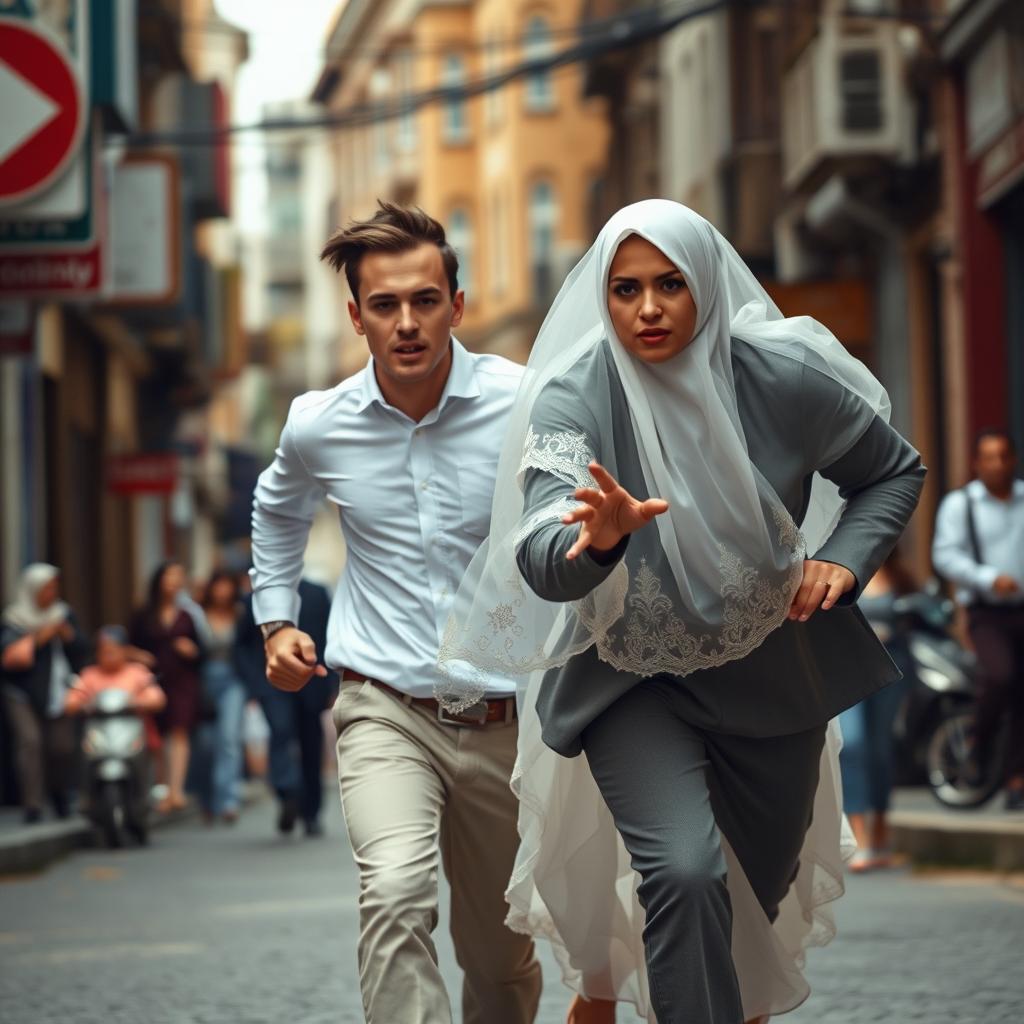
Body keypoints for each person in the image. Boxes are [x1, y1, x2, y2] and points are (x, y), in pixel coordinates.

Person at [439, 200, 925, 1024]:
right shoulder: (574, 396)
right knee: (686, 871)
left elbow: (894, 471)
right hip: (631, 684)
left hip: (774, 679)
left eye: (669, 284)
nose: (649, 308)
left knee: (748, 906)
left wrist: (843, 559)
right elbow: (535, 553)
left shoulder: (783, 380)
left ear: (703, 280)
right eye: (625, 289)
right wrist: (594, 544)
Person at [250, 201, 541, 1024]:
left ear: (458, 303)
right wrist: (276, 621)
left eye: (424, 300)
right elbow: (276, 512)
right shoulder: (318, 423)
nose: (406, 323)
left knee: (501, 951)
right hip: (384, 706)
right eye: (384, 305)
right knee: (396, 889)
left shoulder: (524, 402)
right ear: (357, 316)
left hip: (506, 714)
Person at [932, 429, 1024, 810]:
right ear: (976, 463)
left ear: (1013, 460)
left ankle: (1017, 781)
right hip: (986, 613)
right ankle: (977, 742)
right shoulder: (959, 505)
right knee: (1001, 676)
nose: (997, 464)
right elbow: (945, 555)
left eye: (1003, 456)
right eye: (988, 457)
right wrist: (988, 578)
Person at [236, 577, 336, 837]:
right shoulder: (257, 597)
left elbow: (331, 636)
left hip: (314, 683)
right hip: (271, 683)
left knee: (311, 746)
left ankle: (311, 813)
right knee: (280, 732)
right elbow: (242, 645)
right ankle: (287, 792)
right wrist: (254, 683)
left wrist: (333, 686)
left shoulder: (317, 593)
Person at [839, 549, 918, 870]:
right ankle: (861, 839)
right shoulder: (842, 561)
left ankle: (881, 831)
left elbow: (919, 619)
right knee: (852, 745)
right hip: (848, 668)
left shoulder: (901, 575)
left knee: (881, 750)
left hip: (892, 669)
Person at [1, 564, 88, 823]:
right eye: (46, 588)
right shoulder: (15, 619)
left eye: (54, 588)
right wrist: (41, 636)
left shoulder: (63, 615)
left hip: (56, 689)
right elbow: (10, 657)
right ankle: (32, 804)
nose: (51, 593)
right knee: (31, 743)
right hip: (22, 692)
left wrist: (68, 635)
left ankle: (61, 795)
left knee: (61, 746)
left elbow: (83, 648)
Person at [130, 562, 203, 814]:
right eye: (169, 576)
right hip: (153, 680)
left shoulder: (189, 614)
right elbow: (129, 645)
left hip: (183, 679)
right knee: (157, 735)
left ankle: (176, 789)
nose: (173, 582)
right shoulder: (144, 614)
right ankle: (161, 789)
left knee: (180, 731)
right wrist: (139, 656)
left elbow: (202, 649)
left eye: (178, 576)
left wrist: (191, 651)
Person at [65, 625, 166, 765]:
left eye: (113, 651)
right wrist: (85, 705)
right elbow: (70, 702)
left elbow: (157, 698)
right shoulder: (89, 674)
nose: (109, 655)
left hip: (131, 735)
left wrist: (136, 703)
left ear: (124, 650)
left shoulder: (137, 672)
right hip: (99, 736)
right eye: (104, 651)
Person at [193, 571, 248, 824]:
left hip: (233, 681)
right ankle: (206, 800)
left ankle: (228, 801)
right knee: (205, 743)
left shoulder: (241, 613)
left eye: (227, 587)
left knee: (229, 738)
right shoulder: (197, 616)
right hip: (203, 680)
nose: (222, 592)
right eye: (218, 587)